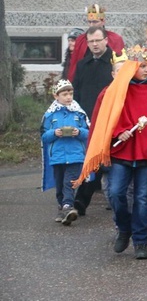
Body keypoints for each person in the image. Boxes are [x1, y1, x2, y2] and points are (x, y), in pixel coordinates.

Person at [73, 45, 147, 259]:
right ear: (131, 67)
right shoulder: (114, 91)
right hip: (121, 151)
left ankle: (141, 241)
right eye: (141, 66)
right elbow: (106, 119)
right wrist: (118, 133)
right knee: (115, 193)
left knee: (142, 197)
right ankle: (124, 228)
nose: (145, 69)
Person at [71, 27, 115, 216]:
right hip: (88, 118)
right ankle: (81, 200)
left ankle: (115, 198)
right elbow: (77, 92)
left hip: (110, 118)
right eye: (91, 41)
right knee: (91, 160)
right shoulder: (82, 65)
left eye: (98, 40)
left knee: (109, 160)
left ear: (106, 40)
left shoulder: (116, 62)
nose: (95, 45)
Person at [41, 79, 90, 225]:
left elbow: (89, 132)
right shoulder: (50, 116)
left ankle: (68, 207)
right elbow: (44, 136)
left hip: (75, 155)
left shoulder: (79, 113)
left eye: (70, 93)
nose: (68, 97)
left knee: (69, 182)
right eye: (64, 94)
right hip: (57, 156)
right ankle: (62, 208)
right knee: (60, 184)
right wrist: (54, 133)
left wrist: (79, 131)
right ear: (56, 96)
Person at [67, 4, 125, 82]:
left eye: (95, 22)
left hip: (108, 78)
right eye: (89, 22)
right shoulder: (81, 40)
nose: (91, 25)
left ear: (103, 21)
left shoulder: (115, 39)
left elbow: (120, 64)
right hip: (87, 79)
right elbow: (75, 64)